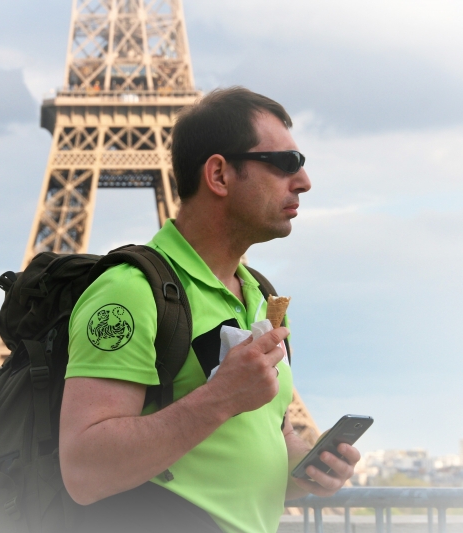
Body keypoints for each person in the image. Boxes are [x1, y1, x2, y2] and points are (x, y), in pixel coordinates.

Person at [59, 87, 361, 532]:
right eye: (285, 163)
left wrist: (306, 468)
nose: (303, 181)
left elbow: (257, 441)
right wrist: (220, 398)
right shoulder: (130, 291)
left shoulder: (262, 296)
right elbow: (84, 472)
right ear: (219, 174)